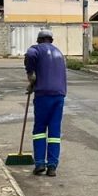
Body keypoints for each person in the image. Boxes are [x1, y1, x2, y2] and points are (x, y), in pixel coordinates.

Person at [25, 29, 67, 177]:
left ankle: (40, 164)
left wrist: (31, 75)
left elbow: (30, 55)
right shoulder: (59, 53)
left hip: (43, 95)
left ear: (39, 40)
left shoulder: (36, 49)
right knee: (54, 131)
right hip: (59, 96)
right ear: (51, 40)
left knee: (39, 130)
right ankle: (52, 167)